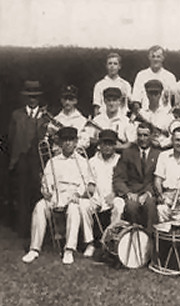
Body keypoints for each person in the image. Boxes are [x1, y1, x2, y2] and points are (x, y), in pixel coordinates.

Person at [22, 127, 95, 264]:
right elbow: (47, 181)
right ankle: (34, 249)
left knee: (74, 208)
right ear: (60, 143)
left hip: (74, 196)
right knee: (40, 206)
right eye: (65, 140)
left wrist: (78, 195)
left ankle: (69, 249)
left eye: (71, 140)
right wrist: (47, 192)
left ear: (76, 142)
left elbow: (87, 184)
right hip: (56, 196)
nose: (68, 143)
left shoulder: (82, 162)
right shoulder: (53, 162)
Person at [8, 80, 48, 238]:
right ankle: (23, 230)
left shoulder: (45, 117)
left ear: (39, 98)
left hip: (38, 162)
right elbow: (10, 138)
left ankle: (38, 230)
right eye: (30, 96)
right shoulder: (17, 115)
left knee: (37, 195)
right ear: (25, 98)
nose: (32, 100)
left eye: (35, 97)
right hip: (21, 160)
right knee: (22, 195)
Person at [79, 129, 125, 257]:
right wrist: (90, 194)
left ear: (115, 145)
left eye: (110, 144)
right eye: (104, 143)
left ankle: (112, 242)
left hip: (114, 195)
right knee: (83, 205)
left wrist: (115, 194)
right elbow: (91, 183)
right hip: (97, 197)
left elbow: (123, 181)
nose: (107, 147)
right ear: (99, 144)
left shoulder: (120, 160)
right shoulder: (93, 161)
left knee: (119, 204)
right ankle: (90, 243)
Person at [113, 122, 160, 233]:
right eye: (139, 135)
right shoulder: (128, 153)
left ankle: (150, 240)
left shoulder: (158, 155)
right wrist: (128, 193)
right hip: (132, 192)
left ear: (152, 136)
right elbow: (118, 178)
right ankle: (132, 239)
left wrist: (148, 193)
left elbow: (159, 179)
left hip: (149, 192)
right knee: (131, 206)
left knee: (150, 205)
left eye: (145, 135)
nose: (142, 139)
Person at [131, 79, 174, 149]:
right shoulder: (140, 113)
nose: (153, 96)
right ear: (147, 94)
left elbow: (174, 135)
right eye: (151, 93)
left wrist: (161, 144)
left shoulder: (167, 115)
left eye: (156, 93)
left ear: (160, 94)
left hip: (161, 149)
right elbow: (132, 134)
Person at [131, 45, 177, 110]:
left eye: (158, 57)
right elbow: (136, 100)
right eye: (153, 56)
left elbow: (175, 101)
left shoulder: (170, 77)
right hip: (146, 114)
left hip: (165, 115)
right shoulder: (141, 75)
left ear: (163, 58)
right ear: (149, 57)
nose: (155, 59)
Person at [47, 85, 89, 149]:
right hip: (59, 155)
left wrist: (70, 148)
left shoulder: (82, 120)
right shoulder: (55, 120)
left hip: (76, 155)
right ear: (61, 100)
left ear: (75, 101)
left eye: (70, 99)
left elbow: (85, 142)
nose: (67, 102)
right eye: (65, 99)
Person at [92, 52, 132, 117]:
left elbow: (127, 106)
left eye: (115, 64)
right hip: (104, 120)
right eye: (110, 63)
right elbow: (97, 108)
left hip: (121, 121)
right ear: (106, 66)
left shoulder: (125, 85)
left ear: (119, 66)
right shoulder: (99, 85)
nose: (112, 66)